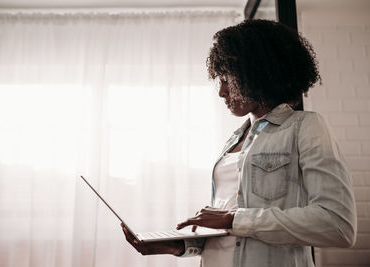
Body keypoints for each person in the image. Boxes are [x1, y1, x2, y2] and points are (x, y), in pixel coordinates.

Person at [121, 19, 357, 267]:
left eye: (226, 79)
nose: (221, 91)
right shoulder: (234, 139)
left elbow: (337, 225)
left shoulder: (304, 127)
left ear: (256, 74)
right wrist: (182, 246)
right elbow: (230, 233)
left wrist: (234, 218)